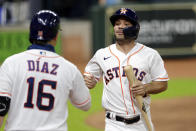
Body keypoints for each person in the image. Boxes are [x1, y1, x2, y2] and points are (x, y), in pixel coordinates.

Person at [0, 10, 91, 130]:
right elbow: (85, 104)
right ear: (56, 36)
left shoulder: (11, 63)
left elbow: (2, 107)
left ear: (31, 32)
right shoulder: (69, 69)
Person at [84, 8, 169, 131]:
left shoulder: (150, 54)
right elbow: (88, 78)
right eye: (117, 24)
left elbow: (162, 84)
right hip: (113, 124)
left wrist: (146, 88)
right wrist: (88, 81)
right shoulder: (101, 54)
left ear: (135, 28)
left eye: (126, 24)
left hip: (142, 122)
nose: (119, 27)